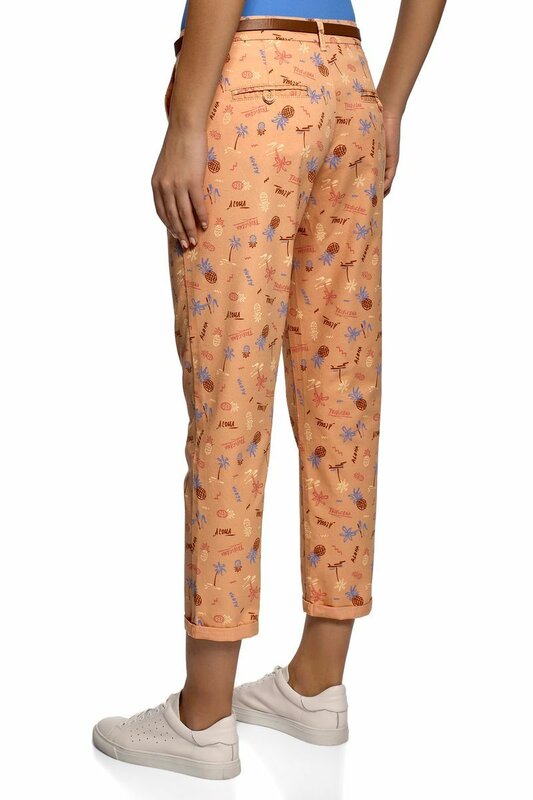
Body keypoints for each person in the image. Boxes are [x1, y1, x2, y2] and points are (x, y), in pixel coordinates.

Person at [93, 0, 446, 780]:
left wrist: (187, 120)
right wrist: (387, 104)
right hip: (348, 85)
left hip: (251, 83)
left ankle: (203, 716)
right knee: (341, 396)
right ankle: (316, 684)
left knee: (230, 403)